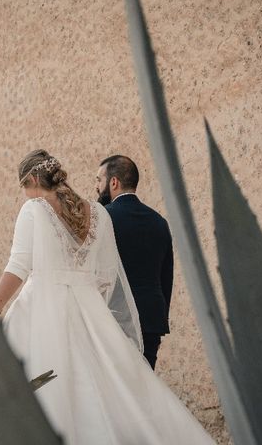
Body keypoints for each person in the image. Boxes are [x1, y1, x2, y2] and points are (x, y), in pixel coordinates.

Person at [0, 149, 214, 445]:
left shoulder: (34, 209)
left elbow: (17, 268)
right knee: (108, 392)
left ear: (33, 179)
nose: (24, 194)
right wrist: (92, 309)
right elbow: (106, 276)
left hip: (42, 312)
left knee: (42, 393)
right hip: (91, 311)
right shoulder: (99, 213)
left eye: (23, 186)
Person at [96, 155, 173, 369]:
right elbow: (166, 277)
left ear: (113, 182)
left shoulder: (103, 218)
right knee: (147, 386)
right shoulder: (159, 222)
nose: (96, 187)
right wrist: (159, 316)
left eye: (98, 180)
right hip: (151, 320)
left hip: (115, 319)